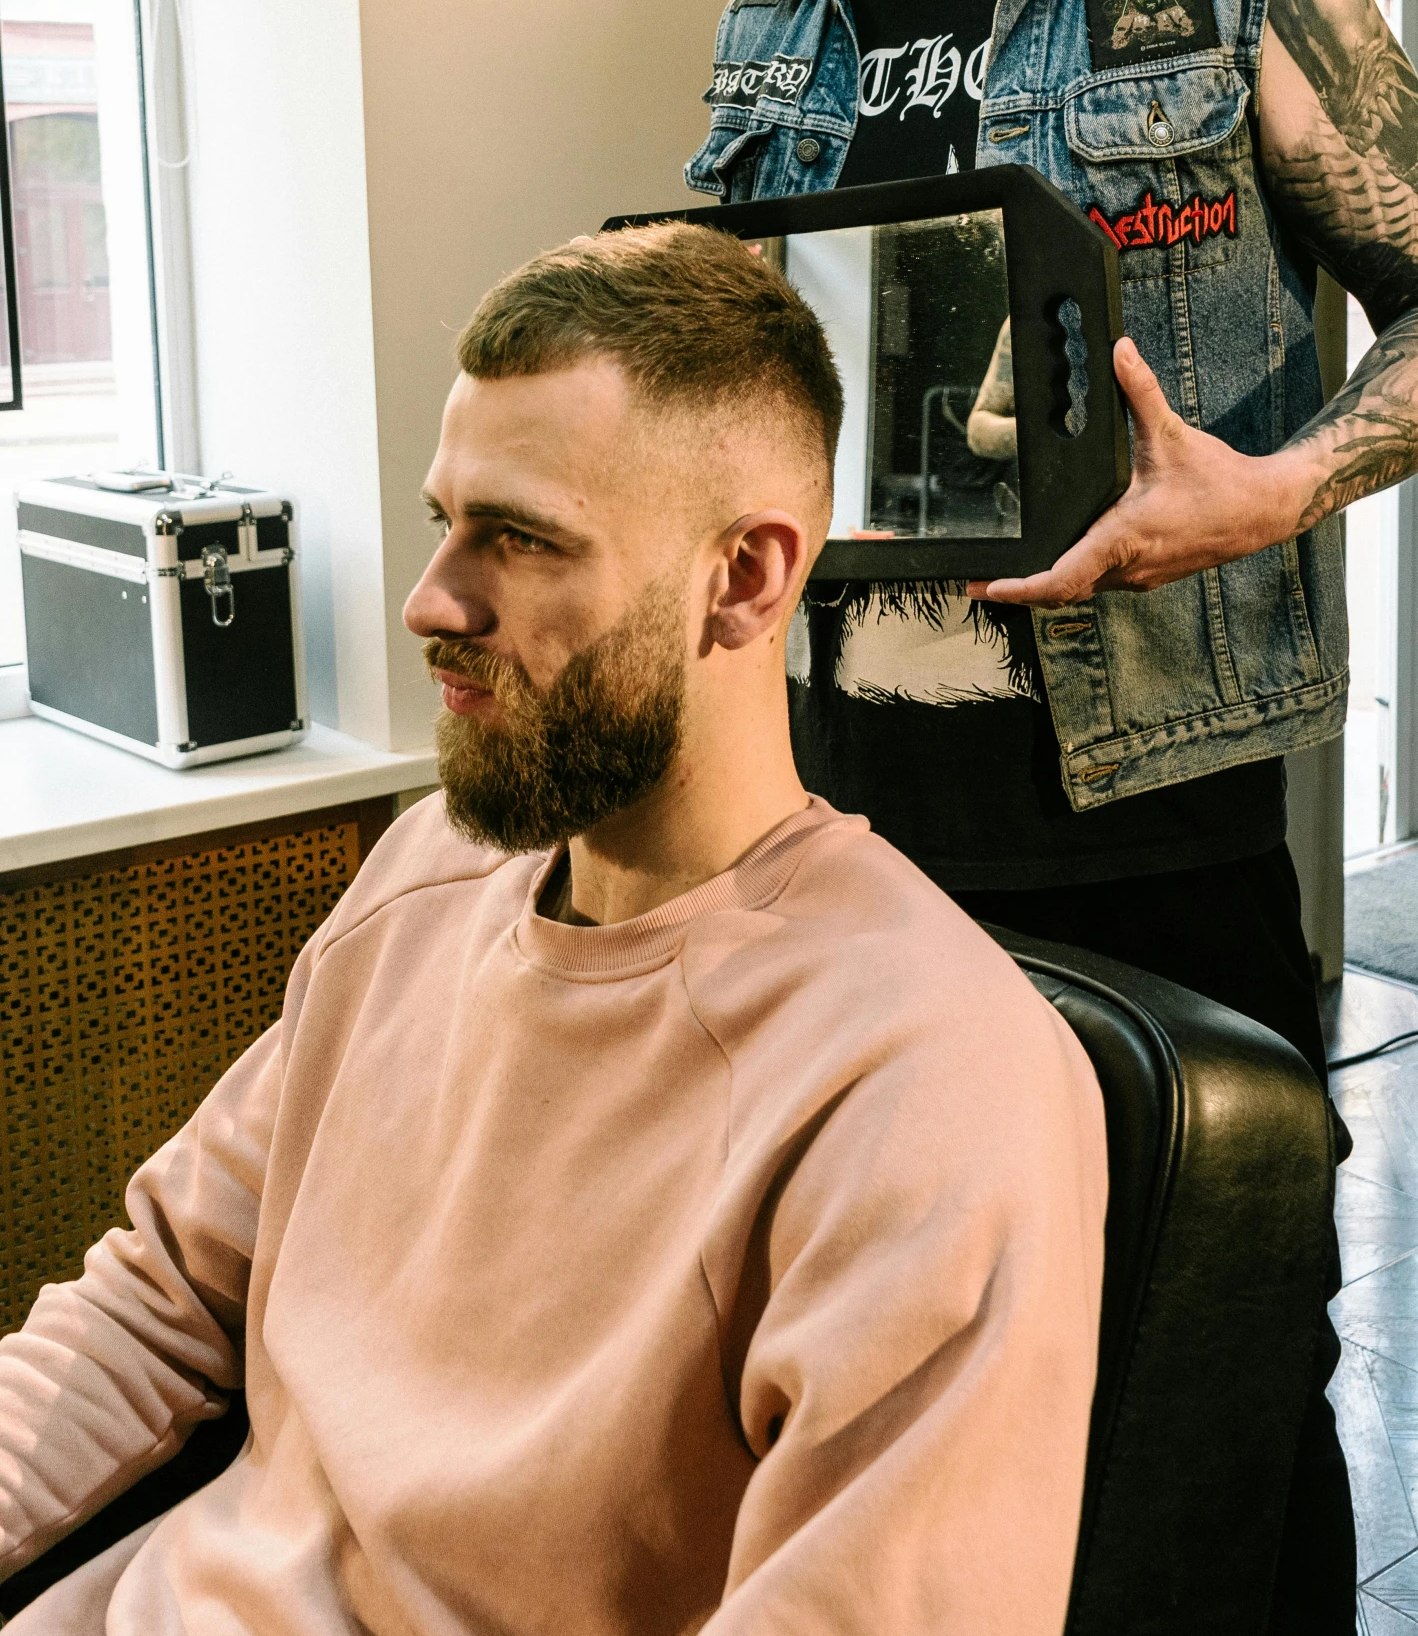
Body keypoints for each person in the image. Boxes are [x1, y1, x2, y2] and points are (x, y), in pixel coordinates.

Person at [685, 0, 1418, 1632]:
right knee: (922, 1401)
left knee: (1221, 1386)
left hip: (1153, 830)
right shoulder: (768, 36)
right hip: (850, 843)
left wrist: (1275, 484)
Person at [0, 224, 1106, 1636]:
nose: (430, 601)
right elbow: (158, 1298)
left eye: (518, 540)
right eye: (444, 520)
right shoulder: (422, 873)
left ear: (744, 580)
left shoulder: (930, 1086)